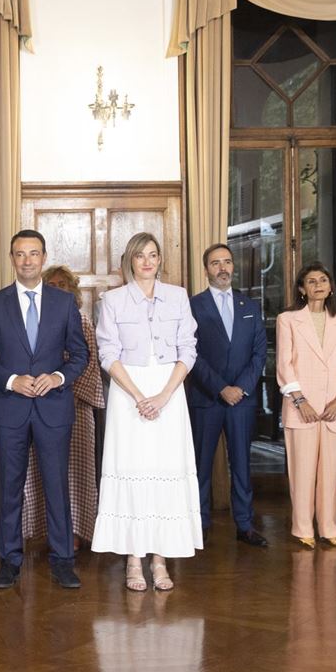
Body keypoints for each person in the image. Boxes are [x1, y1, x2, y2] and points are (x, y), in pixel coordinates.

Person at [0, 229, 88, 590]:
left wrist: (56, 377)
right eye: (20, 254)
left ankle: (63, 561)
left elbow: (81, 355)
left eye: (33, 254)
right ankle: (9, 560)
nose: (27, 260)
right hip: (10, 408)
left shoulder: (64, 303)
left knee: (57, 486)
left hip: (53, 408)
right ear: (12, 259)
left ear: (43, 257)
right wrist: (10, 381)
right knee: (9, 487)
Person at [92, 233, 200, 591]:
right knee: (133, 471)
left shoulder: (178, 296)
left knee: (164, 471)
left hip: (169, 391)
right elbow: (108, 353)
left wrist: (165, 395)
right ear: (130, 260)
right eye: (141, 256)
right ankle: (134, 561)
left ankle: (160, 560)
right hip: (129, 394)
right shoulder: (113, 300)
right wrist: (139, 396)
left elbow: (188, 349)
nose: (148, 262)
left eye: (153, 255)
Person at [187, 243, 269, 548]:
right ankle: (199, 525)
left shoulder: (251, 307)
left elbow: (260, 353)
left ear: (233, 266)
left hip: (242, 401)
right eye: (215, 263)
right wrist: (221, 387)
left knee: (242, 465)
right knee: (201, 466)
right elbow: (190, 353)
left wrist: (240, 388)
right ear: (206, 268)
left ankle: (245, 525)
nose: (222, 268)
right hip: (206, 398)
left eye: (227, 262)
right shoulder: (192, 306)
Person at [21, 265, 103, 552]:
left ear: (72, 291)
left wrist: (60, 390)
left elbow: (89, 366)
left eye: (62, 284)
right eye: (51, 284)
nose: (56, 288)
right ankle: (45, 530)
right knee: (42, 474)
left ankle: (76, 532)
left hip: (76, 409)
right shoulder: (34, 320)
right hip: (39, 408)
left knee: (75, 476)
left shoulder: (81, 322)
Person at [275, 262, 336, 550]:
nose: (318, 285)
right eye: (311, 281)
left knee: (332, 472)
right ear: (302, 288)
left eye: (323, 280)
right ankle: (302, 528)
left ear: (331, 286)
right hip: (302, 407)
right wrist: (300, 400)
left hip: (335, 407)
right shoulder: (288, 320)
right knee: (303, 470)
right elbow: (284, 364)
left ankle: (329, 528)